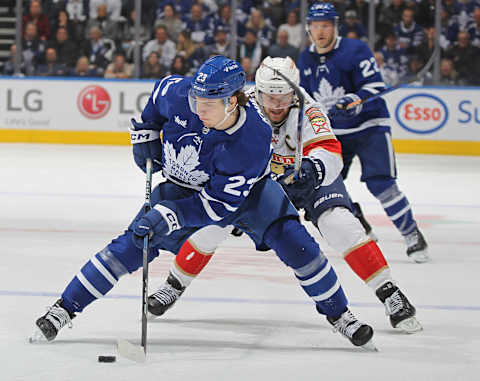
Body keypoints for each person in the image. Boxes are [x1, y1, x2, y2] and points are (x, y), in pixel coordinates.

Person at [31, 55, 375, 350]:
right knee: (129, 245)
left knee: (299, 246)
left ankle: (339, 313)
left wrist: (171, 214)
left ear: (233, 101)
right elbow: (155, 103)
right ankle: (65, 308)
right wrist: (145, 134)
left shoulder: (252, 141)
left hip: (250, 197)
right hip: (181, 187)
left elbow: (217, 209)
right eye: (196, 100)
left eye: (208, 105)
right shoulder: (181, 93)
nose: (198, 109)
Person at [146, 56, 422, 334]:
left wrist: (315, 169)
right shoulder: (239, 105)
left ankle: (390, 293)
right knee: (211, 227)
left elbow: (331, 153)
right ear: (256, 91)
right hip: (258, 181)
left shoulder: (310, 109)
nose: (276, 105)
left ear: (295, 91)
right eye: (269, 96)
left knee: (340, 224)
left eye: (284, 96)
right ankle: (174, 284)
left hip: (306, 178)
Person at [297, 2, 429, 263]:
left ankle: (412, 234)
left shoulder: (355, 49)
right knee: (320, 185)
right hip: (335, 133)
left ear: (336, 27)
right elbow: (305, 97)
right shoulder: (305, 58)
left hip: (370, 126)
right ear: (308, 28)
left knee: (381, 183)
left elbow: (375, 85)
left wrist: (355, 99)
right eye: (316, 26)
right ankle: (358, 221)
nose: (321, 31)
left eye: (326, 25)